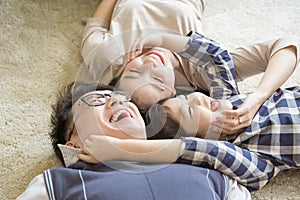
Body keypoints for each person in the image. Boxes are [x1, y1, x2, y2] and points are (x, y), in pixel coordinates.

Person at [81, 0, 300, 134]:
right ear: (172, 93)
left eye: (135, 70)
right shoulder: (202, 68)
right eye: (157, 80)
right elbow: (287, 44)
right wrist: (258, 97)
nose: (150, 62)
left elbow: (95, 24)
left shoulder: (108, 57)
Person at [17, 82, 251, 199]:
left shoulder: (205, 166)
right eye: (97, 100)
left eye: (119, 96)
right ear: (74, 144)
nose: (117, 100)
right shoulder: (57, 184)